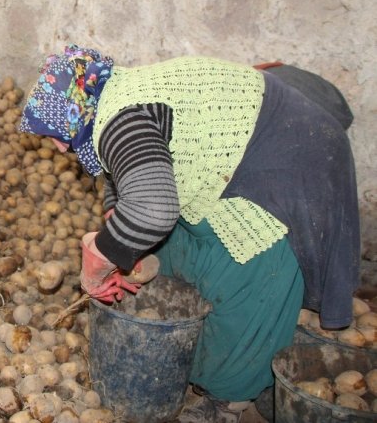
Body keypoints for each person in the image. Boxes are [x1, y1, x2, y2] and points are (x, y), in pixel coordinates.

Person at [18, 45, 360, 422]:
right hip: (256, 145)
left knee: (250, 273)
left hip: (290, 165)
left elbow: (152, 208)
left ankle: (229, 397)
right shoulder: (113, 97)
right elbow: (131, 174)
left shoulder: (123, 119)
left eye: (55, 131)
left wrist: (99, 259)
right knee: (166, 242)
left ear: (76, 112)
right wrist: (120, 233)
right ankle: (194, 339)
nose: (59, 145)